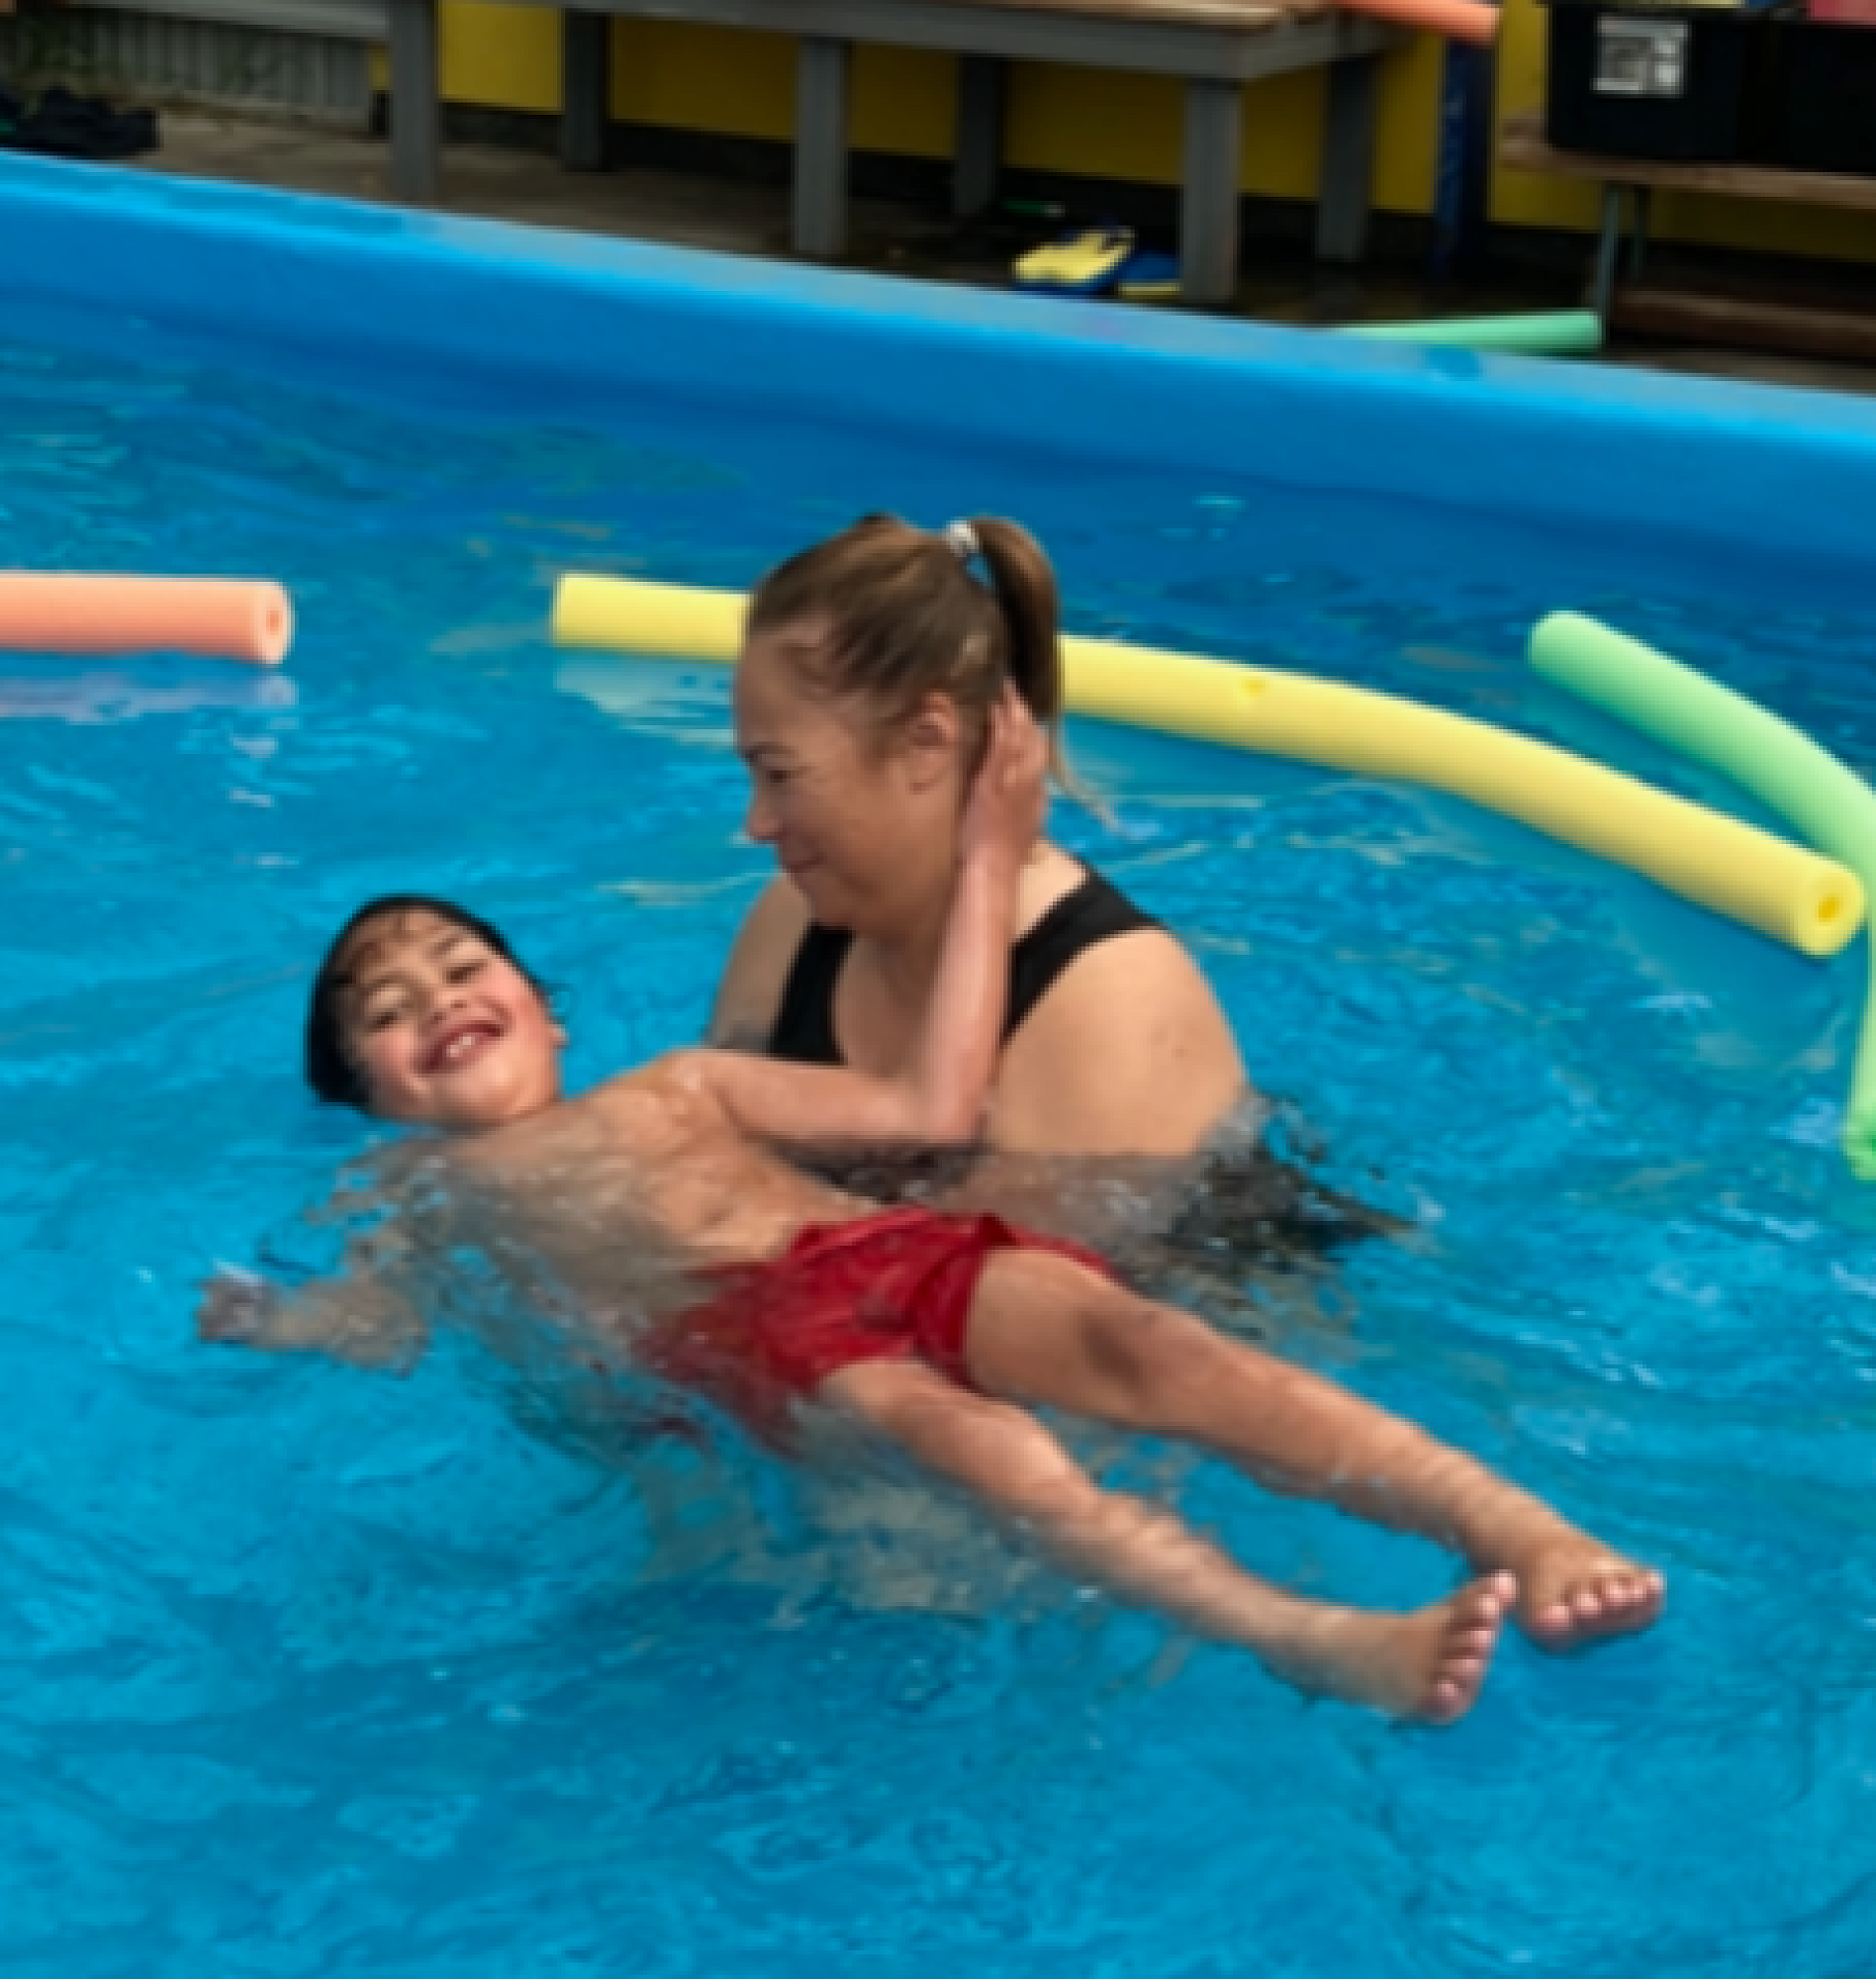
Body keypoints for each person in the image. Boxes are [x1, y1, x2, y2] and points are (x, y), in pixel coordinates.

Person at [200, 704, 1661, 1725]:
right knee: (988, 1452)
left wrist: (982, 865)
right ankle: (1316, 1637)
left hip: (884, 1249)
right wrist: (279, 1319)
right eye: (385, 1012)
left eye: (462, 965)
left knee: (1160, 1350)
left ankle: (1517, 1525)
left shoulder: (686, 1080)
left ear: (548, 1007)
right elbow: (385, 1323)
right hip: (755, 1333)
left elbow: (927, 1101)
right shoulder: (419, 1188)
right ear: (368, 1095)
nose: (437, 999)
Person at [709, 514, 1249, 1161]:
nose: (758, 823)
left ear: (926, 742)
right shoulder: (790, 927)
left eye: (780, 774)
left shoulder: (1107, 1000)